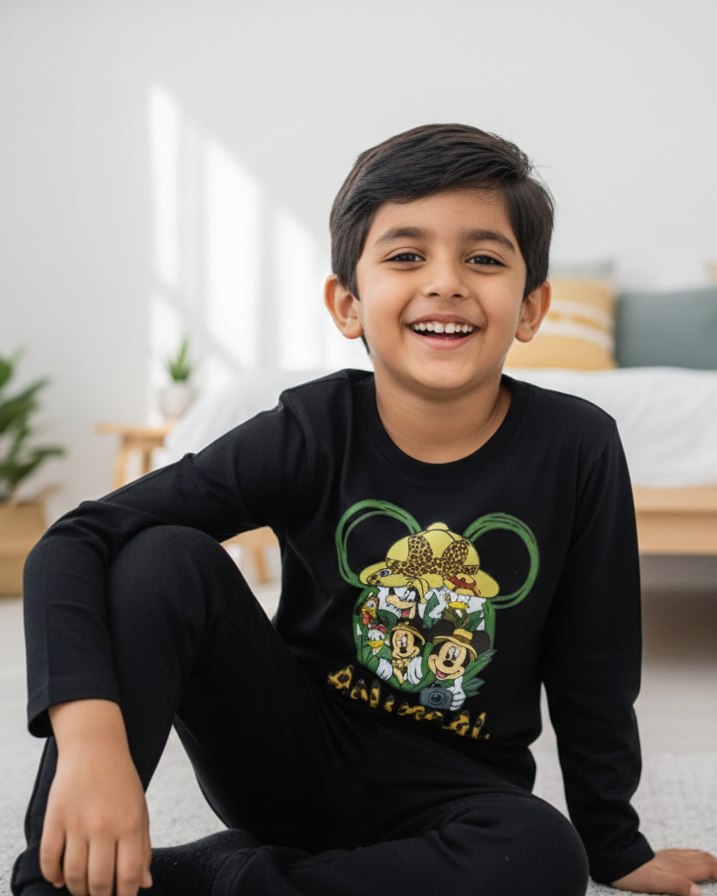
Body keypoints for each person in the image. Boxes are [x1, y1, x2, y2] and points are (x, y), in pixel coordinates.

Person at [12, 124, 717, 896]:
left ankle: (222, 876)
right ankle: (61, 871)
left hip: (450, 793)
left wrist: (613, 846)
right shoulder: (309, 430)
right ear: (346, 303)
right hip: (286, 760)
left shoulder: (576, 446)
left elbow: (596, 667)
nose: (445, 281)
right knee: (159, 556)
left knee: (544, 856)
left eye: (482, 258)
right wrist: (91, 740)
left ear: (531, 305)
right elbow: (75, 539)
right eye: (406, 255)